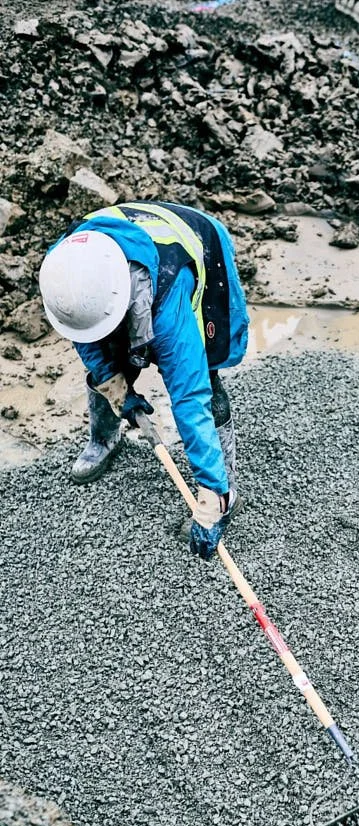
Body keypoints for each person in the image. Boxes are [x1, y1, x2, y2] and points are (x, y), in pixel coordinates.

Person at [39, 200, 249, 561]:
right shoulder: (66, 271)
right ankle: (104, 440)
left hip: (198, 248)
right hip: (132, 241)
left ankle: (223, 491)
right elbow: (84, 336)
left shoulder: (168, 304)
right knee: (109, 358)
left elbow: (189, 396)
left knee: (206, 374)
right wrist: (117, 390)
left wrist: (208, 494)